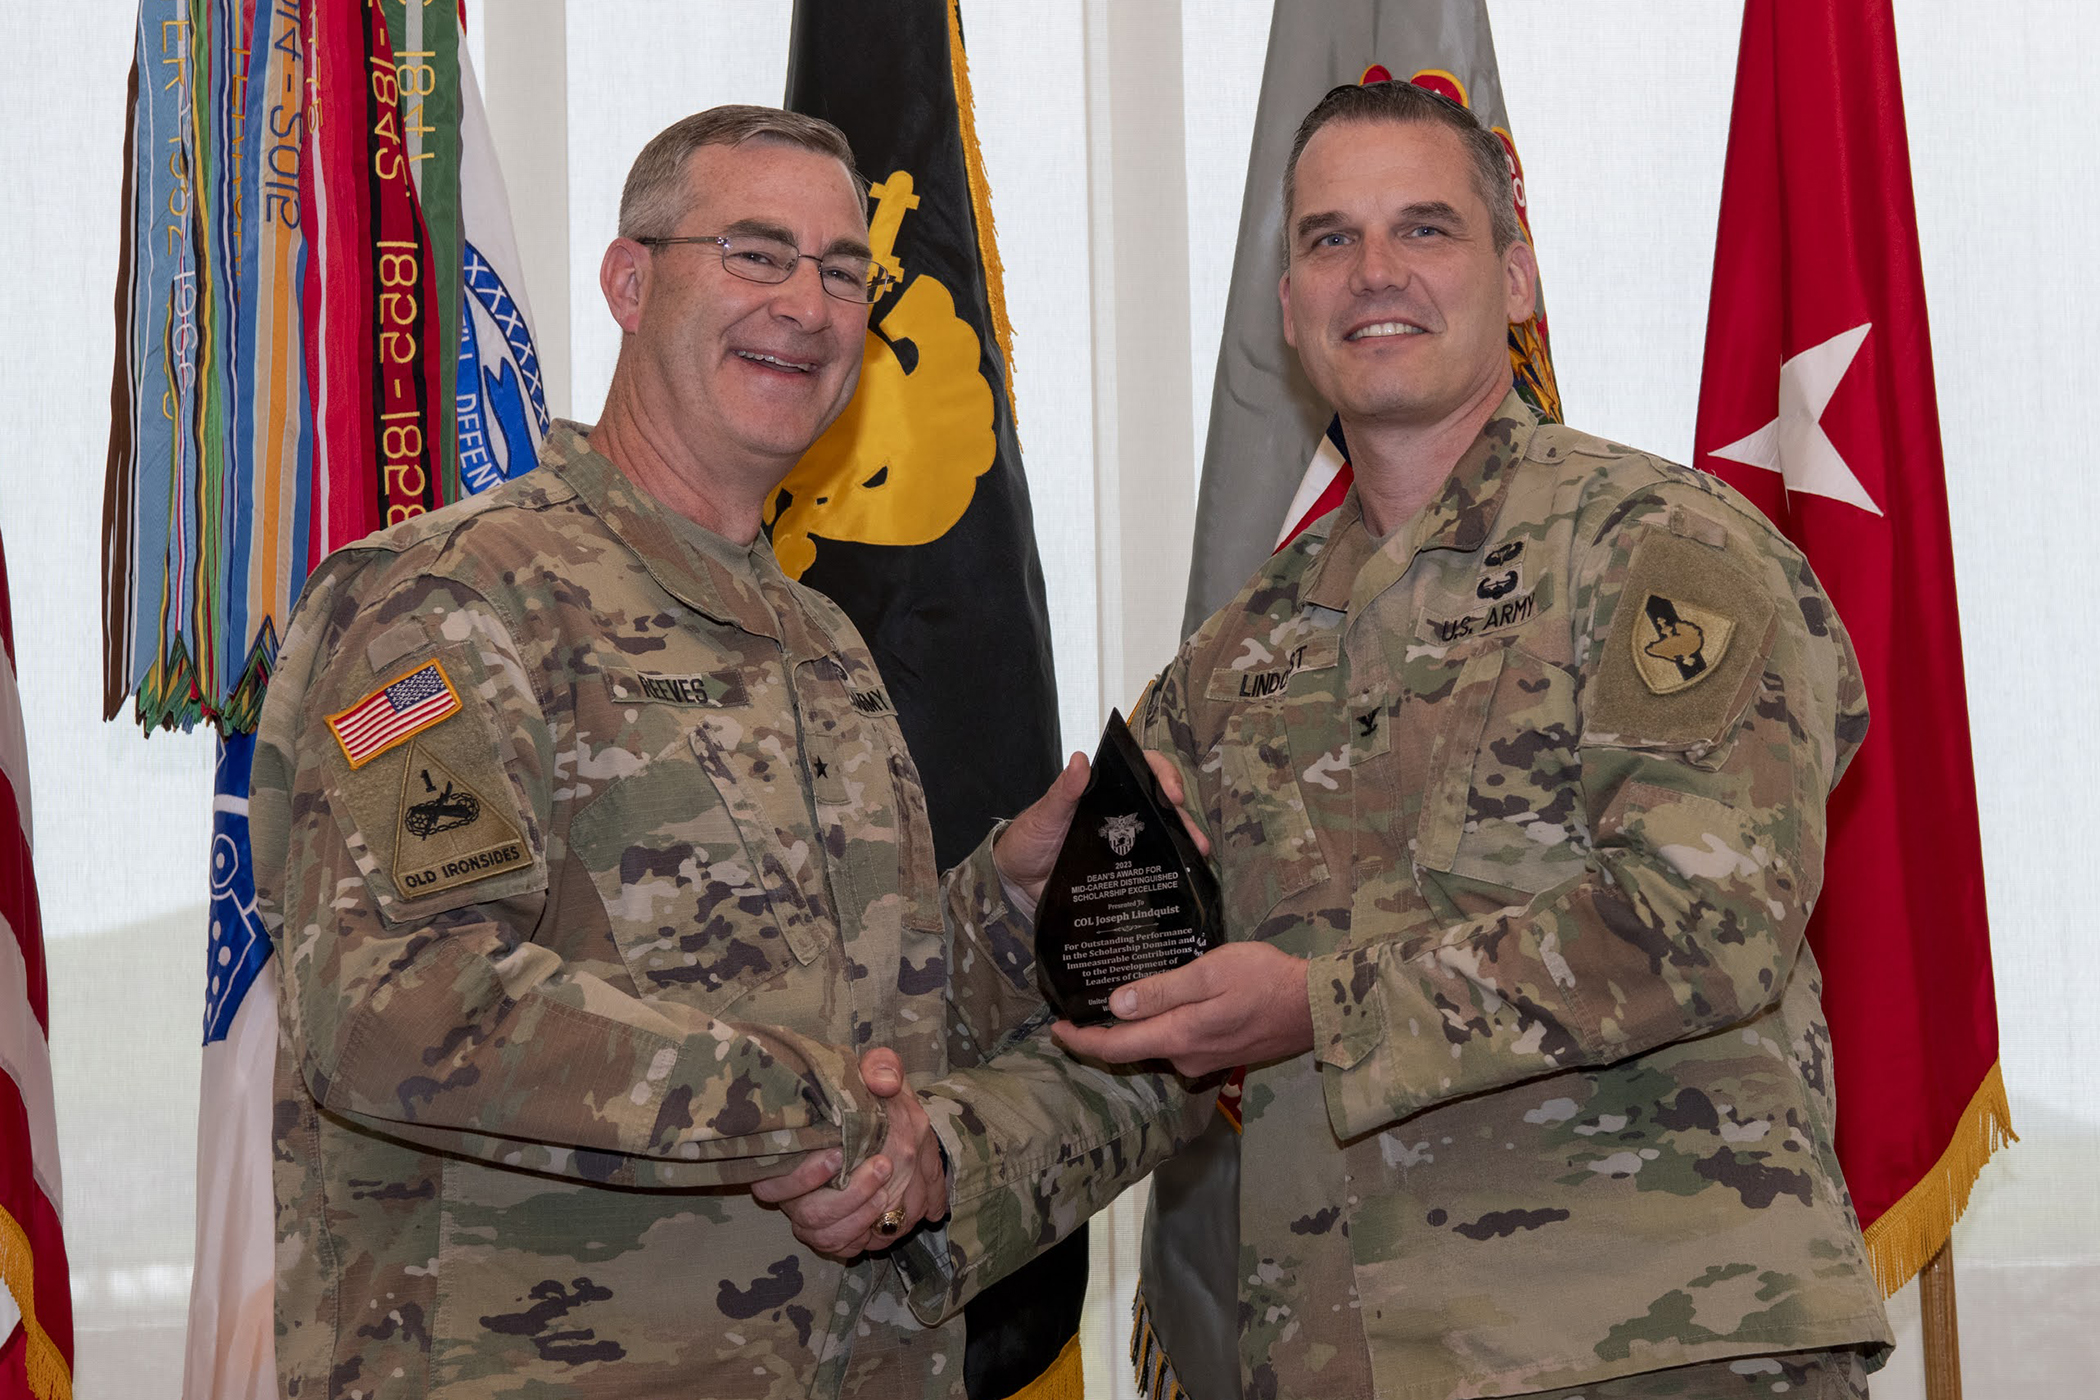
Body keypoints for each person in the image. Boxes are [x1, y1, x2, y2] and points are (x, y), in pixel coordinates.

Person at [249, 105, 1200, 1399]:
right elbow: (396, 1006)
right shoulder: (453, 602)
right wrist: (816, 1110)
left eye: (843, 270)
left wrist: (1007, 915)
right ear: (631, 282)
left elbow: (848, 1010)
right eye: (754, 255)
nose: (805, 305)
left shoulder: (819, 646)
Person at [1055, 81, 1896, 1399]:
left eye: (1425, 230)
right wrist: (912, 1166)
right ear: (1288, 307)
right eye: (1329, 239)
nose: (1373, 273)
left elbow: (1700, 921)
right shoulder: (1232, 667)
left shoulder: (1663, 550)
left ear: (1515, 277)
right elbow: (1129, 998)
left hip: (1655, 1346)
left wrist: (1315, 1006)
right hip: (1338, 1359)